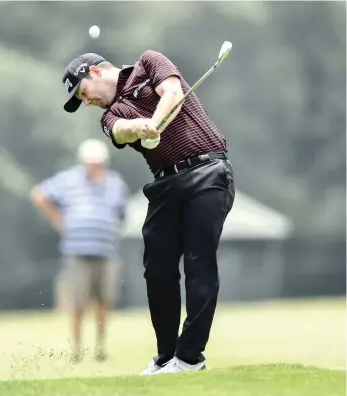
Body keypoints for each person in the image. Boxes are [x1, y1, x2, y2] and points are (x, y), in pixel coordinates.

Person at [61, 50, 235, 374]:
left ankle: (190, 357)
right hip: (165, 185)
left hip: (207, 172)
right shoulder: (109, 115)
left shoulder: (149, 62)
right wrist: (142, 128)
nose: (86, 101)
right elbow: (120, 131)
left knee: (199, 262)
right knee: (157, 270)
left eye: (82, 92)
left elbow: (172, 92)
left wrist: (155, 121)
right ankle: (167, 356)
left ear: (96, 71)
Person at [30, 138, 129, 363]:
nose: (94, 166)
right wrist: (58, 220)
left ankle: (100, 348)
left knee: (105, 301)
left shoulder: (115, 183)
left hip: (106, 250)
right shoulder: (69, 180)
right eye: (91, 162)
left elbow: (121, 215)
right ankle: (76, 348)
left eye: (98, 162)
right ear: (83, 162)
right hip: (77, 249)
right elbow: (39, 194)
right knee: (77, 302)